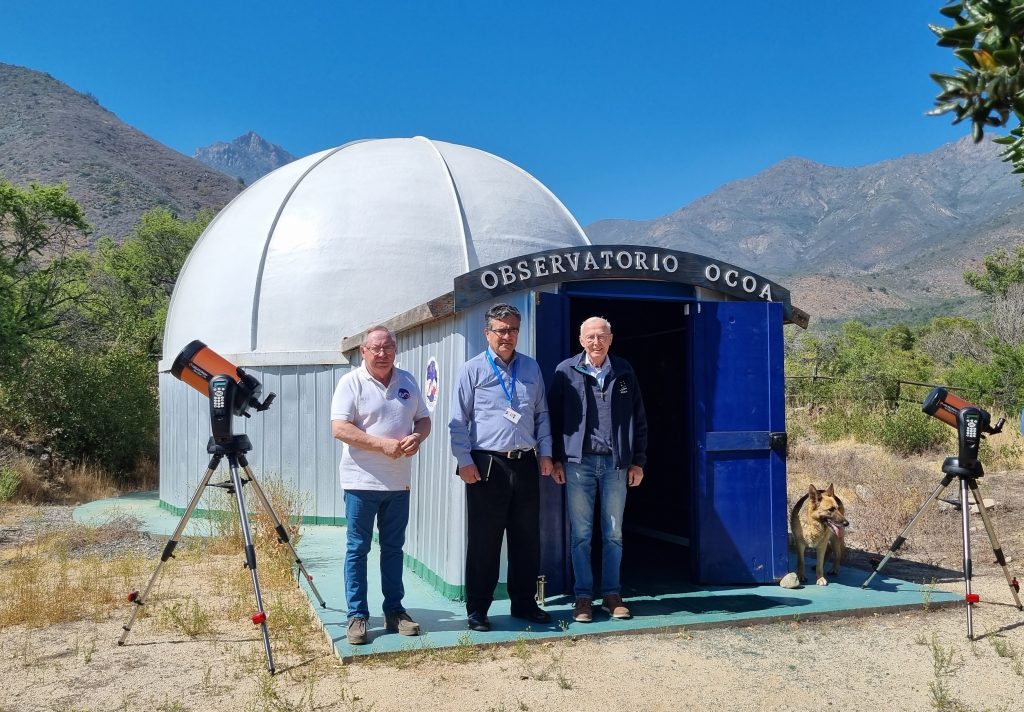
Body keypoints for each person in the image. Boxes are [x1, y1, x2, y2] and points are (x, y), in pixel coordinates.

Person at [449, 303, 555, 631]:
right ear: (487, 333)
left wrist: (546, 454)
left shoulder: (531, 368)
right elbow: (458, 421)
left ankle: (524, 603)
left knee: (526, 539)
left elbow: (542, 414)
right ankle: (478, 609)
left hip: (525, 463)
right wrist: (464, 461)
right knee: (485, 540)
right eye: (500, 330)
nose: (506, 336)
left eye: (512, 330)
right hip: (487, 466)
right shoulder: (472, 370)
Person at [331, 326, 431, 645]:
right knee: (357, 549)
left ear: (395, 350)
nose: (382, 353)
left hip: (398, 483)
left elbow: (423, 419)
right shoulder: (351, 382)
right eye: (375, 348)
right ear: (363, 351)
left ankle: (394, 611)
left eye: (388, 347)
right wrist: (381, 445)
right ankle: (357, 615)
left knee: (393, 549)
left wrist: (418, 436)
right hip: (360, 483)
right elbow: (339, 428)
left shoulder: (408, 381)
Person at [549, 316, 648, 623]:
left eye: (601, 336)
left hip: (616, 464)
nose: (596, 342)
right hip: (578, 464)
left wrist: (638, 461)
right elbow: (553, 418)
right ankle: (582, 597)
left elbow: (639, 418)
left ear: (611, 339)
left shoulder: (623, 370)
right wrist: (555, 458)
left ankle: (611, 595)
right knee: (581, 534)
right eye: (590, 337)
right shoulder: (565, 371)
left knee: (613, 534)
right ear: (581, 341)